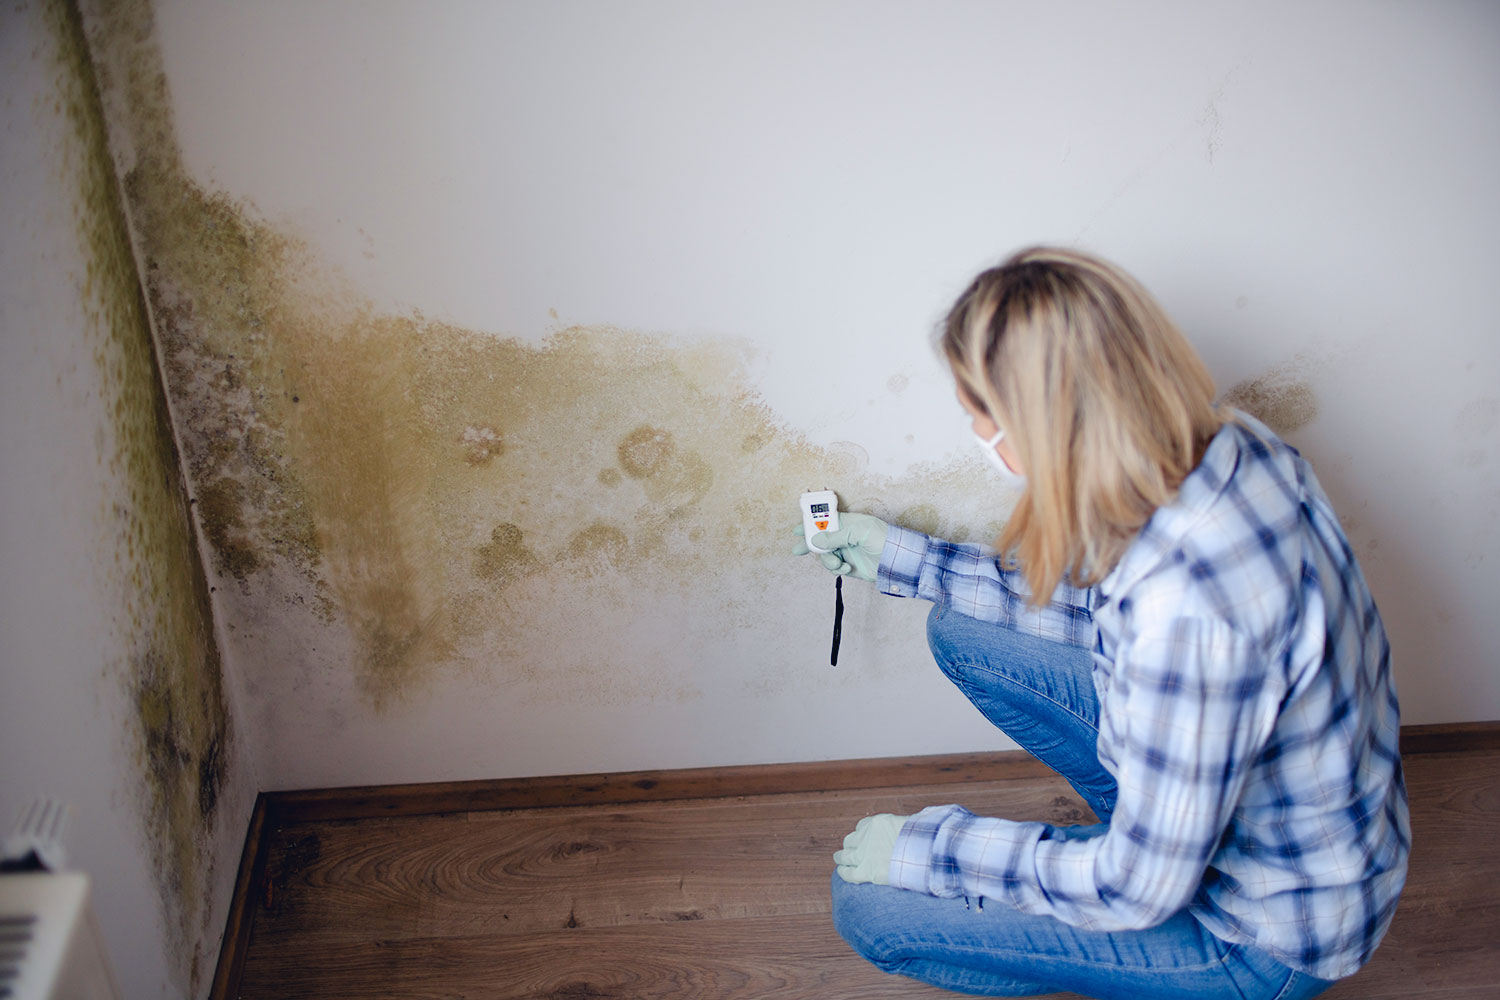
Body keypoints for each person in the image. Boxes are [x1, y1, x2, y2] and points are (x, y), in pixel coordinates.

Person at [793, 246, 1409, 1000]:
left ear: (1044, 427)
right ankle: (1132, 836)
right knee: (965, 631)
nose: (979, 436)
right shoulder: (1229, 445)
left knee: (872, 906)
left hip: (1257, 935)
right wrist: (908, 560)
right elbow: (1104, 606)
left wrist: (934, 849)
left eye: (978, 416)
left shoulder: (1191, 621)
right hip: (1262, 828)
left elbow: (1138, 891)